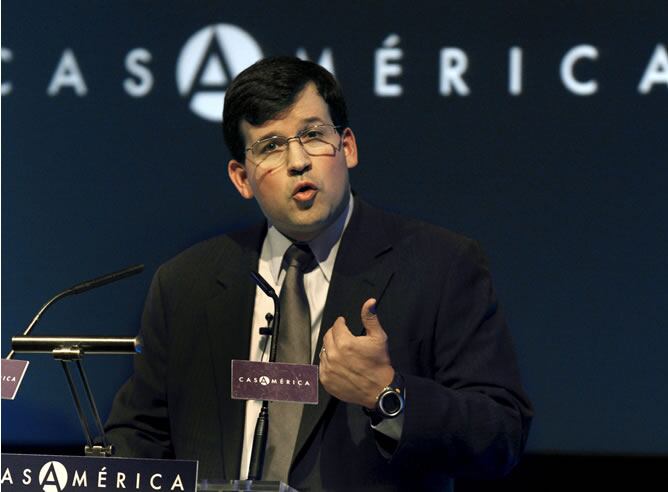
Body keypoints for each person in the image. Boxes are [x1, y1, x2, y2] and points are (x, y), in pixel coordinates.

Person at [105, 56, 533, 491]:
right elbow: (137, 436)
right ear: (242, 178)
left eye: (312, 135)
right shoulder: (186, 284)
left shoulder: (440, 265)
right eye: (271, 146)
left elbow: (501, 434)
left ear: (347, 147)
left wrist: (389, 395)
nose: (297, 161)